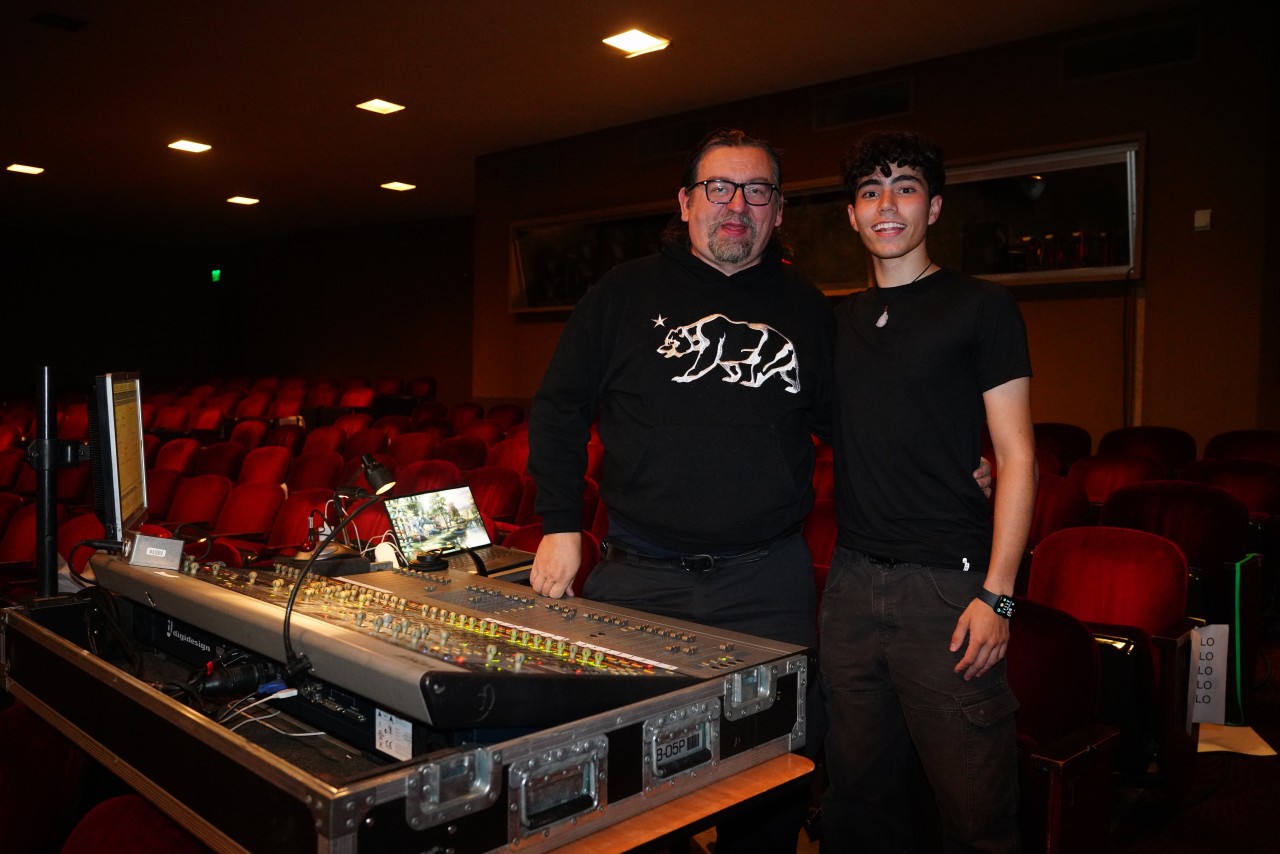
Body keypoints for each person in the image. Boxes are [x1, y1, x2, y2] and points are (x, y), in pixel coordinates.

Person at [526, 127, 833, 852]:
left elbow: (855, 422)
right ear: (686, 202)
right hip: (640, 581)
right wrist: (561, 523)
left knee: (769, 786)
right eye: (719, 189)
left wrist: (952, 465)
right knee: (626, 790)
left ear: (779, 211)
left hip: (767, 586)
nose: (737, 205)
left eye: (756, 191)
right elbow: (559, 407)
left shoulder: (808, 307)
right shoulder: (622, 293)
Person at [819, 129, 1037, 852]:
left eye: (905, 187)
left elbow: (1015, 455)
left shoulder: (981, 307)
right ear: (852, 215)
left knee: (975, 816)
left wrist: (999, 595)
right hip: (850, 587)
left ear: (934, 208)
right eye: (871, 192)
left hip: (948, 590)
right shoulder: (837, 321)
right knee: (856, 807)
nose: (887, 205)